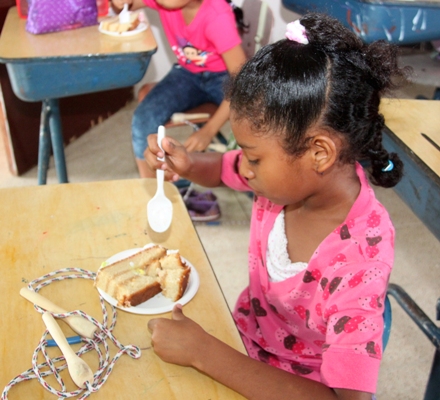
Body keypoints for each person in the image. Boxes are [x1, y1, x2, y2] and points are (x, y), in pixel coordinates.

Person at [144, 13, 409, 400]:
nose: (245, 168)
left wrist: (204, 354)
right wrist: (187, 164)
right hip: (246, 341)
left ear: (319, 153)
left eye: (253, 157)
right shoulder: (282, 177)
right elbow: (222, 169)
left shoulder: (361, 258)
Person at [111, 0, 247, 178]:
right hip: (187, 73)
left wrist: (208, 131)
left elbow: (241, 82)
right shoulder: (164, 1)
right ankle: (152, 185)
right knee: (143, 119)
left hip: (224, 78)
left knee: (253, 115)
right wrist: (119, 3)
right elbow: (124, 6)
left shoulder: (217, 17)